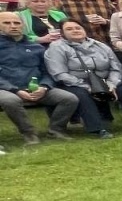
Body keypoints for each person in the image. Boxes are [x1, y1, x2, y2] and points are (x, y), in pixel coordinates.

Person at [44, 20, 122, 134]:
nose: (75, 30)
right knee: (83, 96)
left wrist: (111, 84)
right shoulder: (56, 48)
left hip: (105, 80)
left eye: (78, 28)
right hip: (75, 83)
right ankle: (98, 129)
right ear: (62, 33)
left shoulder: (100, 45)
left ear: (84, 30)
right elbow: (59, 73)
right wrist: (87, 87)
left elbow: (115, 67)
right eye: (69, 29)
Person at [0, 10, 80, 143]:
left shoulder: (36, 47)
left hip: (36, 88)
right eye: (7, 23)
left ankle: (56, 129)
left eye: (17, 23)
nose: (13, 26)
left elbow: (47, 71)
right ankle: (29, 134)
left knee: (69, 98)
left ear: (23, 25)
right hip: (6, 89)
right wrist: (15, 90)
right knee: (11, 101)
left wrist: (44, 87)